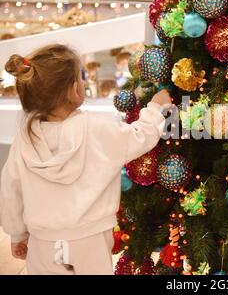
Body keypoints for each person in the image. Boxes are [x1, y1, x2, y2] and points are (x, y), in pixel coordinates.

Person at [0, 44, 172, 274]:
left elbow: (11, 190)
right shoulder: (97, 128)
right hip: (91, 240)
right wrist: (156, 106)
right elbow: (139, 137)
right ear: (73, 90)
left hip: (43, 242)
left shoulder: (25, 139)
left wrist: (17, 233)